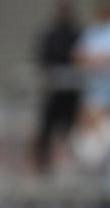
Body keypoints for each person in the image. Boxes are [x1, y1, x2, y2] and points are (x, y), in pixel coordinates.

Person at [33, 0, 82, 174]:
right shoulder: (50, 35)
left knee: (71, 134)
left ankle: (72, 168)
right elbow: (43, 59)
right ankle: (44, 167)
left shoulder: (77, 33)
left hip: (72, 96)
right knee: (46, 132)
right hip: (54, 94)